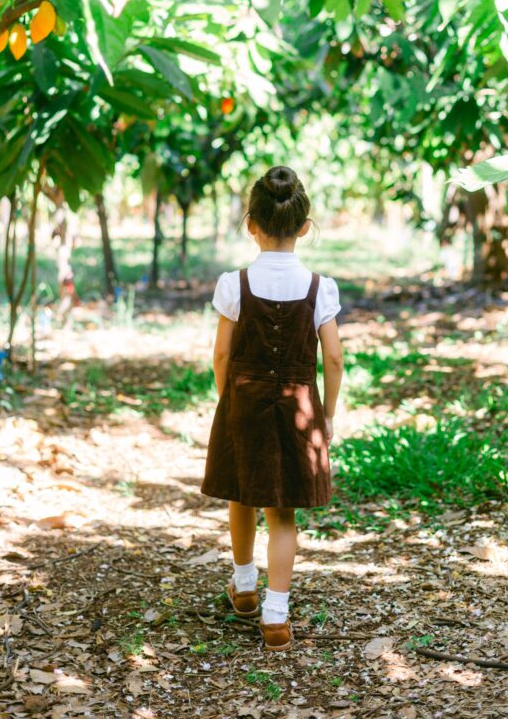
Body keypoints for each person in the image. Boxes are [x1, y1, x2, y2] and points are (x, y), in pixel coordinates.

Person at [200, 165, 344, 651]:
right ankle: (276, 615)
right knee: (282, 513)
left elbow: (221, 353)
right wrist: (326, 416)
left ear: (251, 225)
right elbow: (335, 358)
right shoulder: (320, 287)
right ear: (304, 227)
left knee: (241, 492)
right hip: (300, 402)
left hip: (244, 398)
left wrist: (228, 397)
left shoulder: (232, 284)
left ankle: (243, 587)